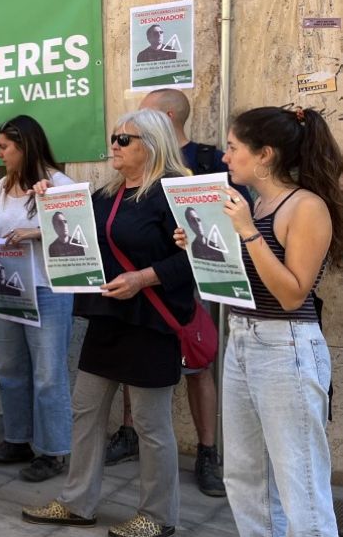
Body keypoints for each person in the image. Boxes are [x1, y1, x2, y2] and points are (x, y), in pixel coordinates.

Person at [23, 109, 193, 537]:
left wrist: (143, 278)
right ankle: (78, 503)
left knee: (151, 425)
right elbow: (75, 240)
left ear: (151, 145)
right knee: (86, 410)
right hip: (107, 318)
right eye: (114, 138)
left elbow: (194, 260)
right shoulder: (106, 194)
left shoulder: (173, 193)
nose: (114, 146)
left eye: (124, 139)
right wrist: (48, 201)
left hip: (150, 321)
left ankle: (158, 517)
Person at [203, 107, 342, 536]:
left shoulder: (306, 207)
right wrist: (204, 247)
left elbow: (291, 293)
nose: (225, 157)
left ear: (264, 155)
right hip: (242, 340)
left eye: (232, 148)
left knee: (300, 483)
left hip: (287, 348)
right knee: (245, 479)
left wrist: (246, 232)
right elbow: (245, 279)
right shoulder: (257, 204)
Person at [109, 88, 227, 496]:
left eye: (130, 131)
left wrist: (194, 236)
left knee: (197, 366)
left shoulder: (205, 163)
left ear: (165, 121)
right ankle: (127, 433)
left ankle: (207, 452)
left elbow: (224, 234)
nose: (119, 139)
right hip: (133, 301)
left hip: (181, 293)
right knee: (135, 382)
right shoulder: (120, 183)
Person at [0, 115, 76, 481]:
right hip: (9, 290)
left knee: (48, 373)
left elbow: (76, 231)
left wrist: (36, 232)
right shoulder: (3, 185)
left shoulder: (58, 182)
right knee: (9, 368)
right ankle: (17, 439)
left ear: (25, 146)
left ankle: (53, 450)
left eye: (5, 147)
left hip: (47, 289)